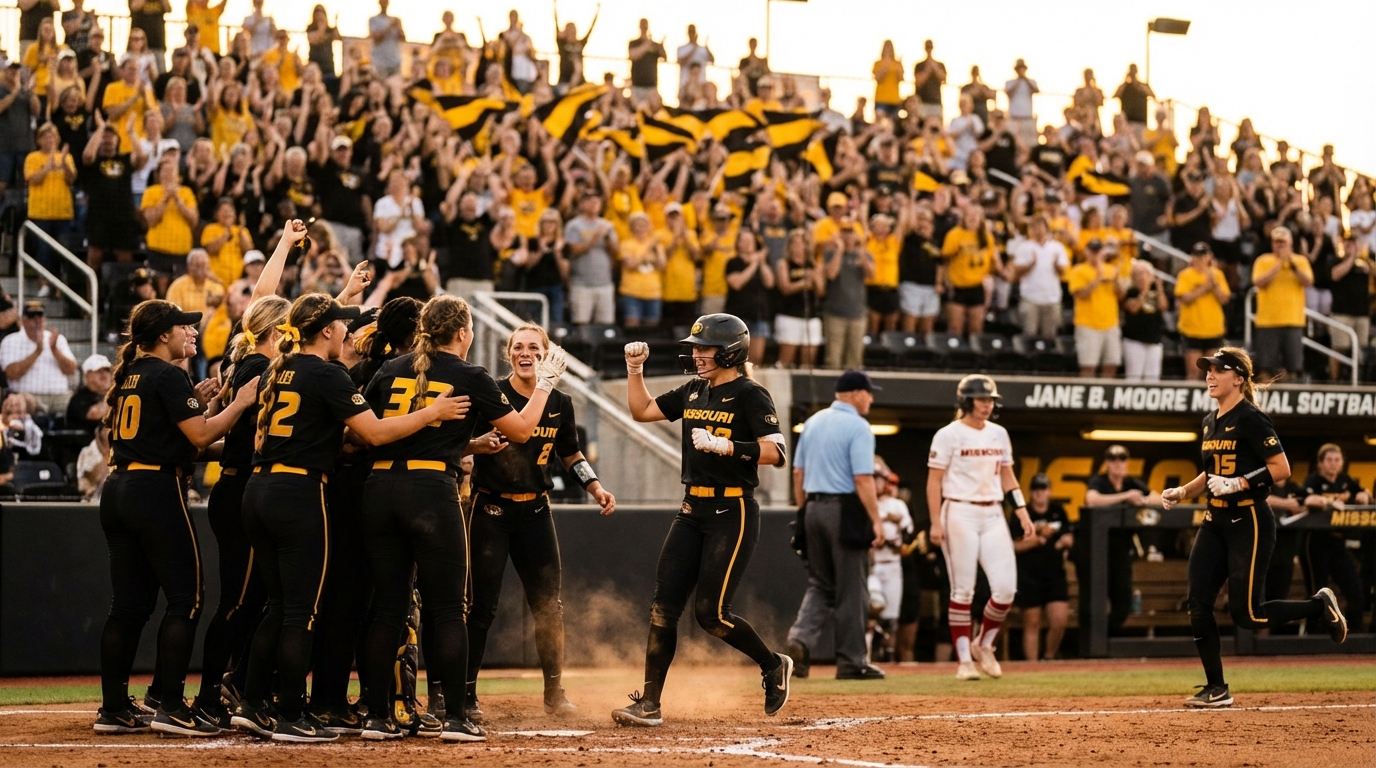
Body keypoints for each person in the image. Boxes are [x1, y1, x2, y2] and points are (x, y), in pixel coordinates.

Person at [230, 293, 466, 743]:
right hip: (299, 494)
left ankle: (252, 702)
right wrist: (431, 413)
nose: (348, 331)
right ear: (326, 330)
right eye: (341, 324)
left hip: (257, 490)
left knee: (277, 606)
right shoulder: (327, 373)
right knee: (301, 611)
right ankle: (290, 713)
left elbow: (325, 432)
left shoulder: (280, 368)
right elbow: (373, 433)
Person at [356, 299, 564, 741]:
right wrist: (545, 383)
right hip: (431, 492)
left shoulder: (392, 368)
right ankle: (455, 716)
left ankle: (376, 715)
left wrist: (461, 444)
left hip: (379, 489)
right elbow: (521, 430)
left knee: (388, 608)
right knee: (450, 608)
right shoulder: (469, 375)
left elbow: (360, 434)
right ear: (463, 333)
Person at [94, 299, 260, 736]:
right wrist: (240, 403)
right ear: (163, 335)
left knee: (127, 606)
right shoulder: (168, 374)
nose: (191, 332)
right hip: (154, 491)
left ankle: (113, 708)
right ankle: (170, 705)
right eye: (183, 326)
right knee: (187, 600)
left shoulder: (133, 372)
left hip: (119, 487)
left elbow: (180, 437)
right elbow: (201, 436)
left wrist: (204, 405)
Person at [616, 314, 792, 727]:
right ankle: (650, 704)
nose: (696, 355)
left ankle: (772, 664)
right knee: (663, 607)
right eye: (694, 348)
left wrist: (727, 447)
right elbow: (642, 410)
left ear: (730, 352)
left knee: (711, 615)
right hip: (692, 508)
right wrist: (634, 369)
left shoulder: (751, 394)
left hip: (733, 511)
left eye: (704, 348)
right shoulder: (694, 390)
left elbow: (776, 453)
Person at [1160, 349, 1348, 708]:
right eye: (1208, 370)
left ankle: (1318, 606)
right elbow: (1212, 471)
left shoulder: (1251, 417)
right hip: (1214, 521)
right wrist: (1184, 491)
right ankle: (1217, 688)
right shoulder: (1209, 420)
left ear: (1238, 379)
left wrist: (1239, 483)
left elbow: (1281, 469)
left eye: (1218, 370)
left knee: (1248, 614)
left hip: (1249, 520)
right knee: (1198, 604)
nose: (1210, 375)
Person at [189, 222, 312, 729]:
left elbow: (261, 301)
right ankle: (207, 697)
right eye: (289, 329)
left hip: (241, 488)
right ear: (277, 332)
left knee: (257, 598)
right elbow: (262, 302)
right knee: (238, 602)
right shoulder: (258, 369)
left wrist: (283, 244)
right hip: (240, 488)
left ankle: (236, 683)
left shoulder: (246, 360)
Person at [463, 324, 614, 723]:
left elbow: (571, 454)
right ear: (507, 353)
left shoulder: (560, 402)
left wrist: (595, 487)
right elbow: (463, 445)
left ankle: (554, 694)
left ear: (546, 355)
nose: (525, 353)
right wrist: (474, 452)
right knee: (480, 608)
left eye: (533, 347)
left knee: (549, 608)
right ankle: (466, 694)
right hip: (491, 509)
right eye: (518, 347)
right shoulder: (492, 392)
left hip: (535, 511)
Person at [928, 375, 1033, 680]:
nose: (987, 405)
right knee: (963, 589)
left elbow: (1008, 477)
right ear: (966, 401)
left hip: (993, 511)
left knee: (1006, 589)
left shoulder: (999, 434)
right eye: (981, 399)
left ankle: (984, 644)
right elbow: (934, 482)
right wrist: (935, 522)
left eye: (990, 400)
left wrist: (1022, 511)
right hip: (959, 509)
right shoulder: (948, 434)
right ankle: (964, 661)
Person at [785, 370, 887, 680]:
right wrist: (876, 519)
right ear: (855, 393)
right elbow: (862, 478)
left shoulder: (813, 422)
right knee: (852, 589)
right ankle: (852, 662)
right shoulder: (859, 426)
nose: (871, 399)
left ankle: (800, 640)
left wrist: (804, 511)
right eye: (868, 393)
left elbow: (798, 473)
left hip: (813, 508)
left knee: (821, 583)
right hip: (844, 510)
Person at [1081, 445, 1158, 634]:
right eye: (1113, 459)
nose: (1117, 463)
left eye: (1122, 459)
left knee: (1123, 602)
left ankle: (1108, 635)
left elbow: (1157, 498)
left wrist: (1141, 500)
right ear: (1107, 463)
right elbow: (1091, 499)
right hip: (1097, 551)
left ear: (1127, 462)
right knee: (1093, 602)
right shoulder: (1099, 481)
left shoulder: (1133, 483)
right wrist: (1125, 497)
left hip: (1121, 551)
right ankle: (1092, 642)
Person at [1299, 444, 1368, 632]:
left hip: (1338, 543)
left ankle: (1353, 635)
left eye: (1337, 460)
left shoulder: (1345, 481)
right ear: (1320, 463)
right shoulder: (1313, 480)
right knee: (1317, 593)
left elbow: (1363, 493)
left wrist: (1363, 496)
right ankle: (1316, 637)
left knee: (1355, 590)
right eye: (1329, 460)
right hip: (1315, 542)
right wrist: (1329, 501)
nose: (1333, 464)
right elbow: (1307, 499)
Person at [1014, 474, 1072, 661]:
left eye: (1043, 489)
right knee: (1032, 621)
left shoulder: (1058, 511)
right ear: (1031, 492)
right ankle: (1032, 665)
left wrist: (1064, 542)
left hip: (1054, 573)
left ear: (1049, 491)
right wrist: (1037, 540)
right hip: (1029, 575)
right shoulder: (1023, 514)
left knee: (1059, 620)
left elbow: (1069, 537)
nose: (1039, 493)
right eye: (1036, 489)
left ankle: (1048, 656)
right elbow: (1013, 545)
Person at [1251, 227, 1312, 381]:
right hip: (1267, 321)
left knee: (1293, 367)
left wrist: (1291, 264)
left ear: (1290, 243)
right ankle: (1265, 394)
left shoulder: (1300, 261)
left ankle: (1289, 393)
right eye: (1277, 242)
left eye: (1283, 243)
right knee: (1265, 367)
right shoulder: (1263, 260)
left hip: (1293, 320)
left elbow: (1307, 281)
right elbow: (1259, 282)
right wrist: (1279, 264)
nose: (1280, 246)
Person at [1, 300, 78, 413]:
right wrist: (37, 351)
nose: (37, 321)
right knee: (24, 403)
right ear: (23, 321)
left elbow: (71, 370)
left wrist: (55, 350)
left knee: (79, 407)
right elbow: (11, 373)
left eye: (40, 316)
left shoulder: (57, 339)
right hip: (29, 397)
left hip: (60, 396)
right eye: (32, 317)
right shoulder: (10, 340)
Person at [1067, 238, 1123, 378]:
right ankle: (1087, 391)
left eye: (1098, 251)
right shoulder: (1079, 270)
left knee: (1111, 364)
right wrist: (1098, 277)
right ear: (1087, 252)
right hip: (1088, 324)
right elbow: (1081, 294)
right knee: (1088, 366)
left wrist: (1116, 280)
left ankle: (1105, 390)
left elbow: (1121, 295)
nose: (1095, 254)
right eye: (1092, 251)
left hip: (1110, 323)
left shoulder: (1111, 269)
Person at [1009, 215, 1068, 339]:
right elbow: (1016, 272)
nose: (1038, 229)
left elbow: (1064, 272)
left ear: (1047, 228)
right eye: (1034, 226)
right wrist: (1031, 265)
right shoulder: (1024, 247)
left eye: (1041, 226)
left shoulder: (1057, 247)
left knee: (1050, 337)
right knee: (1029, 335)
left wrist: (1056, 265)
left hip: (1052, 298)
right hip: (1030, 298)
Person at [822, 221, 871, 370]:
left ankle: (852, 384)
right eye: (844, 232)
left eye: (851, 232)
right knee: (833, 359)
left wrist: (862, 253)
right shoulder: (830, 254)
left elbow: (872, 274)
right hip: (835, 313)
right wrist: (840, 250)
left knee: (855, 359)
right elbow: (831, 274)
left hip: (857, 313)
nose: (847, 236)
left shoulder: (863, 255)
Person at [564, 192, 619, 325]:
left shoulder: (607, 225)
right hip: (582, 284)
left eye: (597, 201)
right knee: (581, 323)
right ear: (582, 204)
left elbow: (616, 252)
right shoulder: (574, 225)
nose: (594, 204)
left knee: (606, 324)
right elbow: (573, 250)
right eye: (590, 201)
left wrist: (607, 238)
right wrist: (594, 238)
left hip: (605, 283)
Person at [773, 229, 824, 368]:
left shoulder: (814, 265)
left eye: (802, 243)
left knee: (808, 362)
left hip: (811, 316)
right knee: (785, 361)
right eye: (795, 243)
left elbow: (821, 291)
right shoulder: (784, 263)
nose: (798, 247)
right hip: (789, 315)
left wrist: (816, 278)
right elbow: (785, 288)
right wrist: (804, 283)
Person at [1122, 260, 1168, 382]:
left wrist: (1159, 288)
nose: (1142, 277)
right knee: (1133, 376)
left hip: (1154, 339)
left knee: (1153, 377)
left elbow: (1164, 306)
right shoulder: (1130, 292)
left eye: (1145, 273)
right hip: (1134, 340)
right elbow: (1133, 309)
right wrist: (1144, 291)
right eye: (1138, 274)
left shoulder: (1156, 292)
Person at [67, 353, 113, 431]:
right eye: (98, 370)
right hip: (85, 438)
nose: (104, 374)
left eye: (107, 370)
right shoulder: (79, 398)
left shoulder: (111, 394)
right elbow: (95, 414)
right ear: (87, 375)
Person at [626, 19, 665, 106]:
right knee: (638, 109)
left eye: (645, 24)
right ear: (639, 26)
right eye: (642, 24)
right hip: (637, 85)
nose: (644, 27)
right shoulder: (634, 43)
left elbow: (664, 57)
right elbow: (633, 55)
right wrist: (647, 43)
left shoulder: (655, 45)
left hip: (651, 86)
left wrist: (661, 47)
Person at [1004, 59, 1038, 147]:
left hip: (1027, 118)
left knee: (1030, 143)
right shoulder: (1010, 82)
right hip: (1014, 118)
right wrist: (1018, 81)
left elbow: (1036, 90)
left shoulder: (1031, 82)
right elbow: (1008, 93)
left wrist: (1025, 79)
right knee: (1012, 142)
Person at [367, 0, 403, 79]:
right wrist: (389, 27)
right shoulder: (373, 20)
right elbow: (376, 38)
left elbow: (403, 39)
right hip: (379, 62)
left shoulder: (396, 19)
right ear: (379, 3)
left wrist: (399, 28)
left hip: (395, 60)